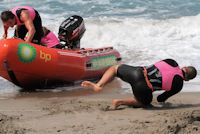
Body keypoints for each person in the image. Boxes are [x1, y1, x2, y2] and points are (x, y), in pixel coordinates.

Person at [81, 59, 197, 109]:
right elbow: (161, 98)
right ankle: (119, 101)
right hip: (144, 88)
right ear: (187, 79)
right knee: (145, 101)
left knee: (114, 69)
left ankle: (99, 84)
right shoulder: (178, 85)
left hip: (137, 72)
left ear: (184, 67)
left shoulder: (171, 61)